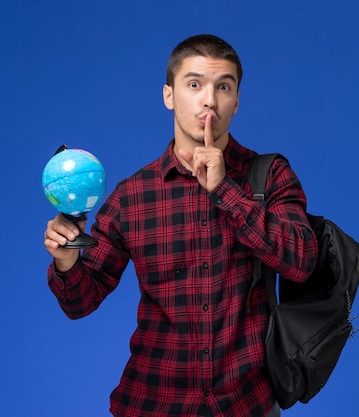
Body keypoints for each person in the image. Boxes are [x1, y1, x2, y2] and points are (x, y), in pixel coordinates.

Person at [44, 34, 318, 417]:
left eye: (224, 86)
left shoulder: (270, 176)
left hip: (246, 405)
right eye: (194, 85)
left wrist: (225, 190)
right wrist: (65, 260)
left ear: (236, 101)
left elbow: (301, 261)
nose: (209, 100)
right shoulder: (132, 197)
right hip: (153, 403)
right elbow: (80, 302)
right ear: (168, 95)